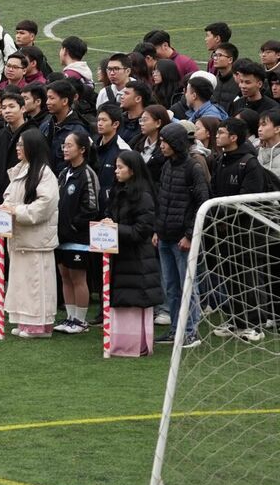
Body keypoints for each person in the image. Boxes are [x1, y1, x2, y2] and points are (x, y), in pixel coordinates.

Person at [0, 130, 62, 338]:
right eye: (17, 144)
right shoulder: (20, 170)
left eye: (21, 145)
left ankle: (40, 326)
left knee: (37, 283)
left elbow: (45, 204)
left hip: (37, 239)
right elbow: (10, 197)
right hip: (19, 237)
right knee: (21, 283)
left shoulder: (45, 173)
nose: (18, 148)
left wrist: (16, 211)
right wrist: (4, 209)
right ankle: (24, 321)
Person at [152, 122, 208, 347]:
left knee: (188, 287)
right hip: (165, 237)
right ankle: (176, 329)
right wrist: (157, 229)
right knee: (171, 287)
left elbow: (202, 203)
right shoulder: (167, 166)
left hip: (182, 239)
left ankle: (191, 331)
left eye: (165, 142)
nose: (161, 146)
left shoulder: (193, 168)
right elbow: (162, 199)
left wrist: (189, 234)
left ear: (176, 143)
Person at [107, 149, 163, 357]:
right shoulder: (118, 192)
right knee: (122, 298)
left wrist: (115, 228)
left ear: (132, 170)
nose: (116, 171)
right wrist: (108, 223)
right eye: (116, 167)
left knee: (135, 299)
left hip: (137, 258)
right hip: (121, 256)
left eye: (120, 167)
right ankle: (120, 343)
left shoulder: (143, 196)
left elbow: (142, 231)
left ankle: (135, 344)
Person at [53, 131, 103, 335]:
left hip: (78, 237)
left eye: (69, 145)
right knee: (65, 276)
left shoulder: (87, 174)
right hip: (61, 236)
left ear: (82, 149)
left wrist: (73, 226)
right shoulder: (64, 173)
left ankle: (80, 321)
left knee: (78, 278)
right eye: (64, 145)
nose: (65, 149)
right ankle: (70, 317)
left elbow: (91, 207)